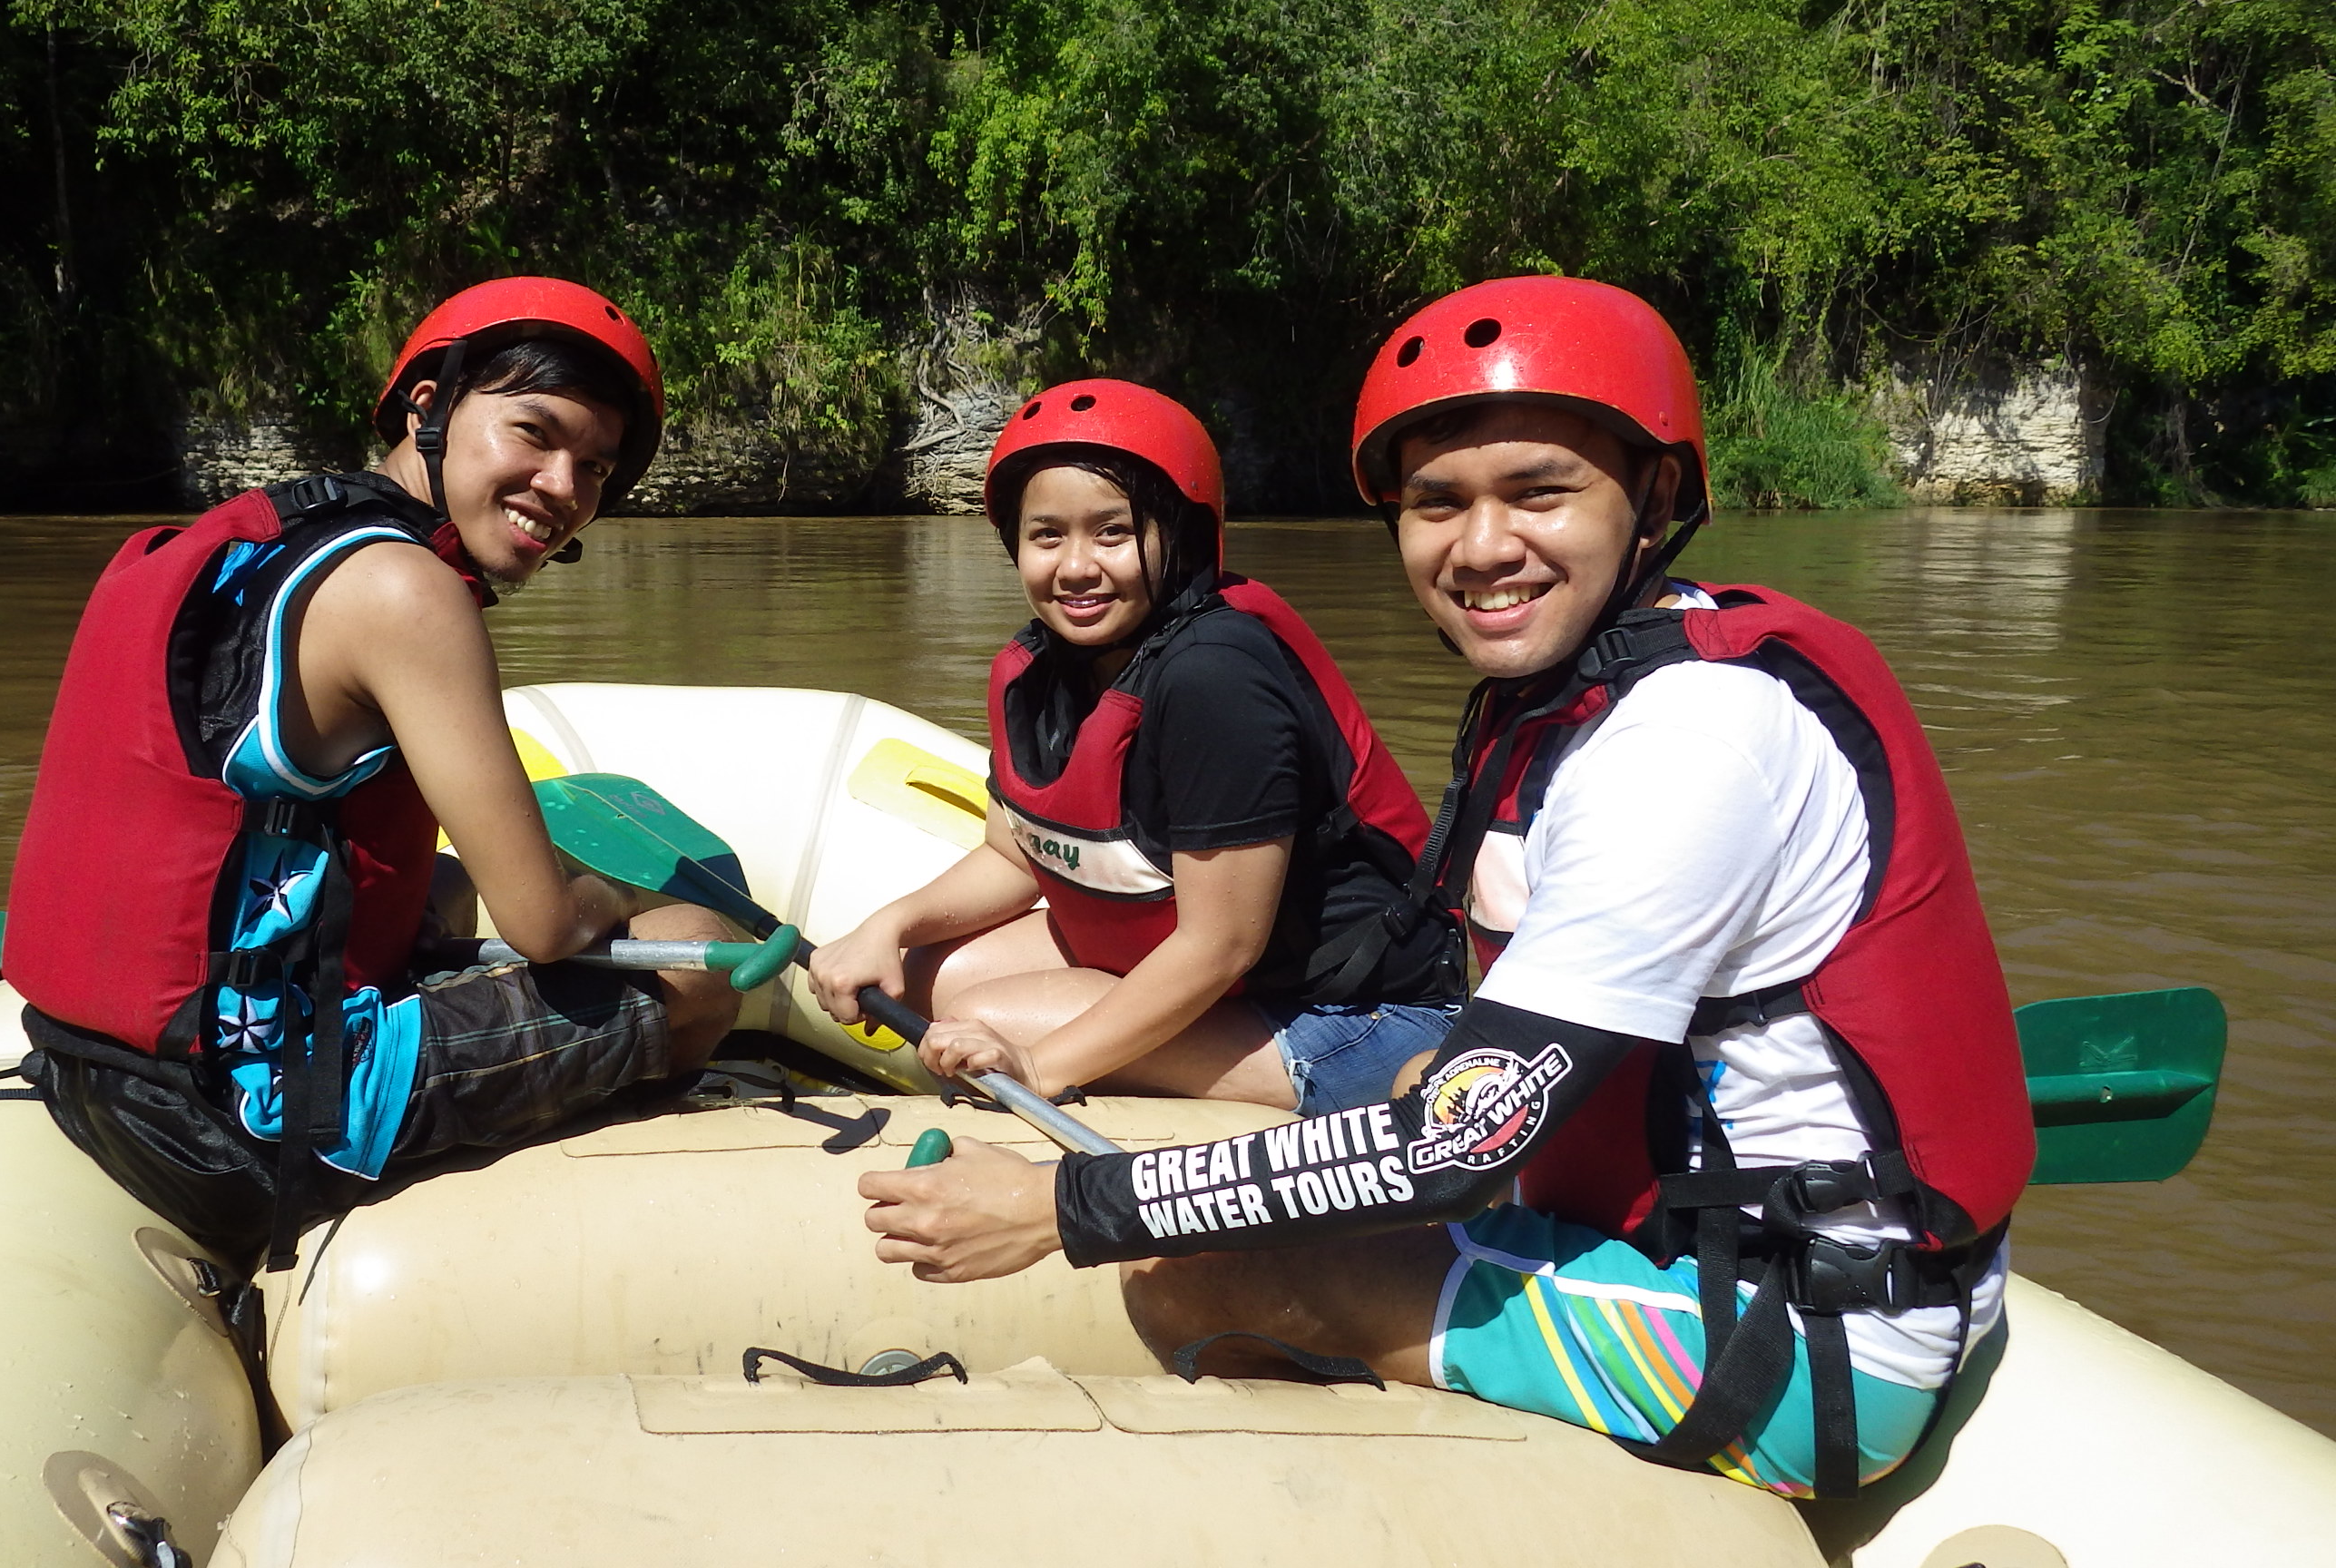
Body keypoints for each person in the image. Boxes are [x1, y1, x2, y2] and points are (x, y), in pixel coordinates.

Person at [853, 279, 2036, 1501]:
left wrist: (1067, 1202)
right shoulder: (1576, 696)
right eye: (1437, 504)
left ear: (1659, 499)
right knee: (1265, 1208)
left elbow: (1460, 1143)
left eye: (1539, 492)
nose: (1480, 547)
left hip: (1800, 1339)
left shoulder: (1693, 740)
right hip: (1695, 1242)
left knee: (1194, 1267)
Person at [3, 277, 741, 1275]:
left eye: (596, 466)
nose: (565, 488)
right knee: (699, 953)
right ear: (429, 405)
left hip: (84, 1060)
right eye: (534, 432)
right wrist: (607, 894)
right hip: (248, 1122)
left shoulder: (249, 539)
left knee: (438, 884)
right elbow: (546, 926)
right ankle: (631, 1170)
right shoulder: (408, 590)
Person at [809, 381, 1463, 1117]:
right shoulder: (1039, 671)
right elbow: (1012, 855)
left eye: (1113, 533)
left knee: (982, 1027)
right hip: (1226, 982)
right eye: (1047, 535)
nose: (1077, 567)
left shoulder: (1216, 677)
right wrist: (885, 926)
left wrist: (1040, 1063)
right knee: (932, 976)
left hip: (1358, 1020)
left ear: (1177, 536)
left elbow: (1220, 947)